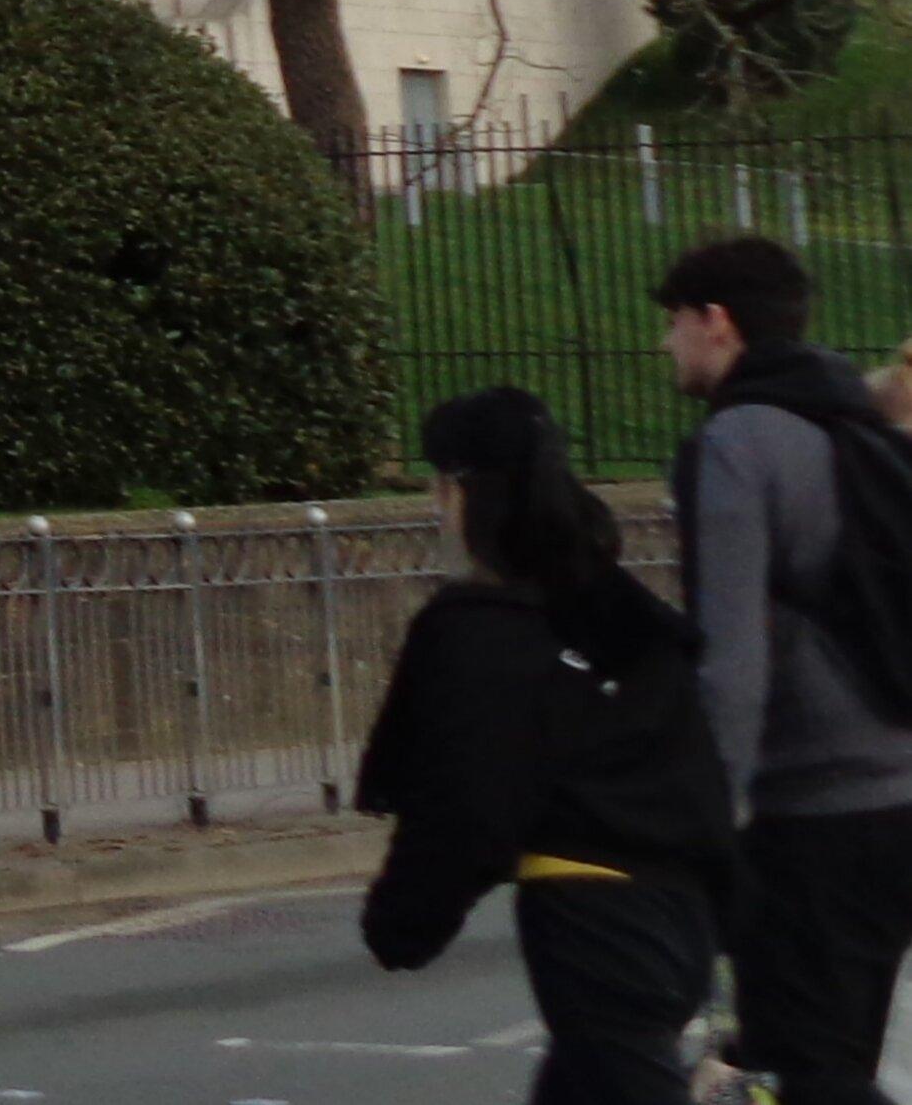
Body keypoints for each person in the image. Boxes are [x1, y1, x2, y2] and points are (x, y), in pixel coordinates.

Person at [356, 387, 731, 1103]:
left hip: (591, 923)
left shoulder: (483, 629)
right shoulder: (618, 612)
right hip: (679, 916)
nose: (436, 508)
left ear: (466, 493)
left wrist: (403, 921)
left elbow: (468, 799)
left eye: (440, 487)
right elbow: (701, 772)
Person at [660, 234, 912, 1104]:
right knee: (826, 1057)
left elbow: (730, 660)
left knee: (808, 1074)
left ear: (715, 323)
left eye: (674, 321)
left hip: (812, 810)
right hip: (895, 789)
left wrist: (702, 819)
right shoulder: (850, 419)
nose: (666, 343)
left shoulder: (737, 443)